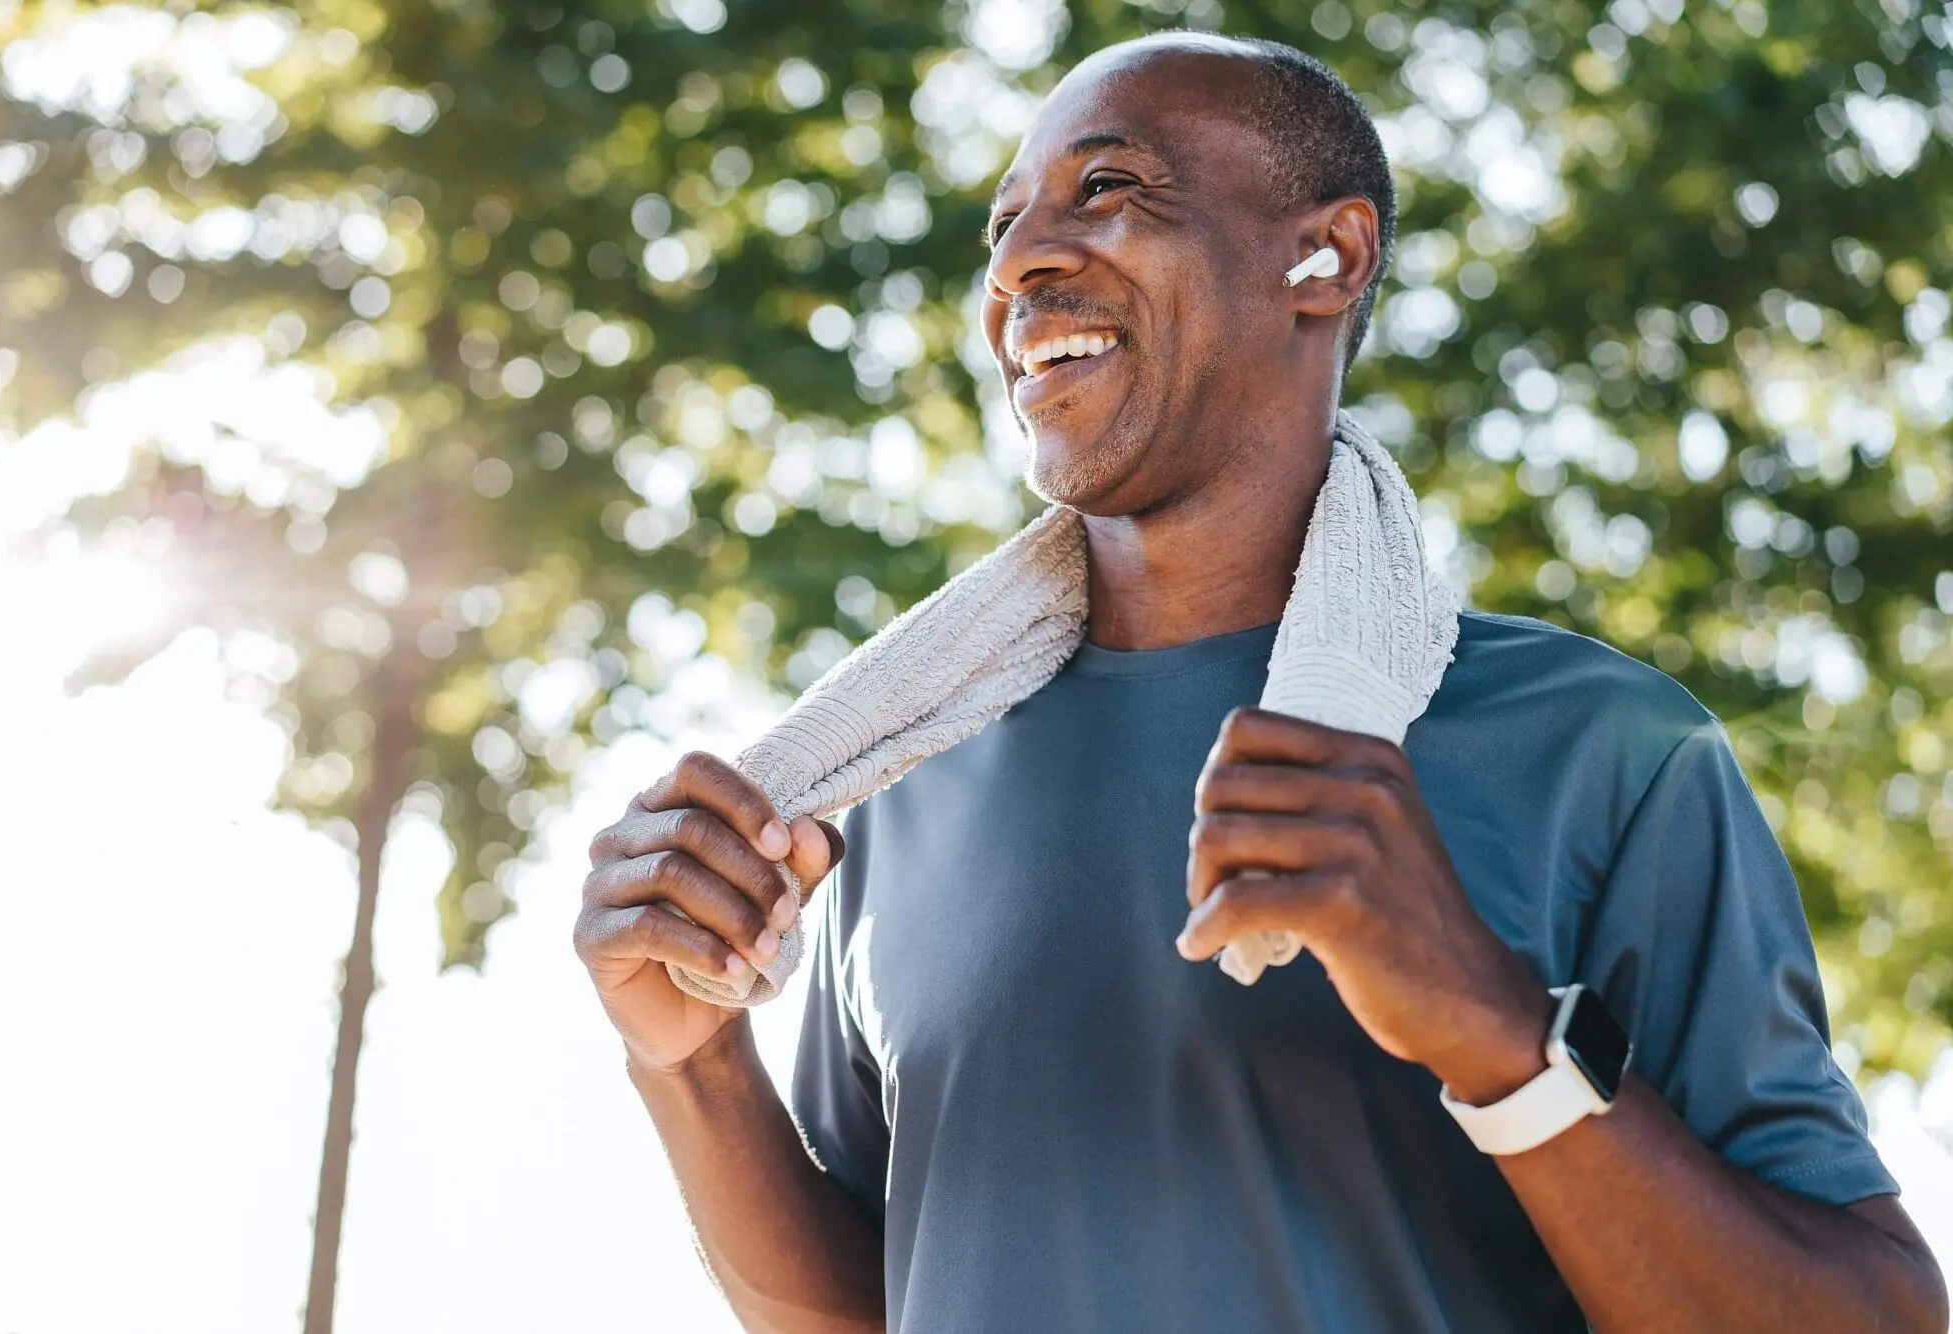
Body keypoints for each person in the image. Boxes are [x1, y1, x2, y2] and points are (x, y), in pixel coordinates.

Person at [573, 32, 1948, 1334]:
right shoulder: (893, 780)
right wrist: (691, 1064)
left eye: (1107, 188)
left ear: (1325, 258)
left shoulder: (1604, 752)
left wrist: (1496, 1030)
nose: (1021, 266)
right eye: (1004, 228)